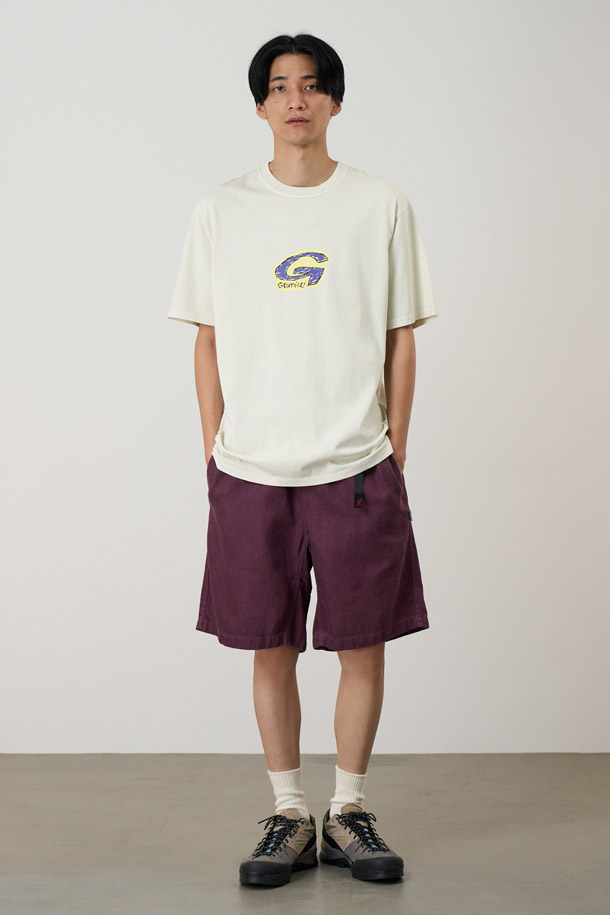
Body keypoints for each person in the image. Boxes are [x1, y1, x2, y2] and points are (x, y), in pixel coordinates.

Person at [167, 32, 438, 887]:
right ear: (260, 106)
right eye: (280, 86)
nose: (296, 99)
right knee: (270, 643)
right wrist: (214, 448)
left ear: (335, 102)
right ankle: (289, 811)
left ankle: (349, 809)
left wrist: (395, 448)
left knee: (363, 643)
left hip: (356, 464)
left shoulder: (380, 204)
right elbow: (207, 338)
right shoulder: (222, 209)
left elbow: (401, 335)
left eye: (312, 85)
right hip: (252, 468)